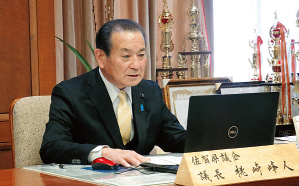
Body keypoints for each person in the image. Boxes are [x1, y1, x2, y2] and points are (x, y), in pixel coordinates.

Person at [40, 19, 185, 167]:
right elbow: (51, 148)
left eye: (141, 55)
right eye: (126, 56)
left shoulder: (150, 91)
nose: (136, 65)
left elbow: (176, 139)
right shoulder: (71, 93)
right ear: (101, 57)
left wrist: (206, 136)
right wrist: (103, 153)